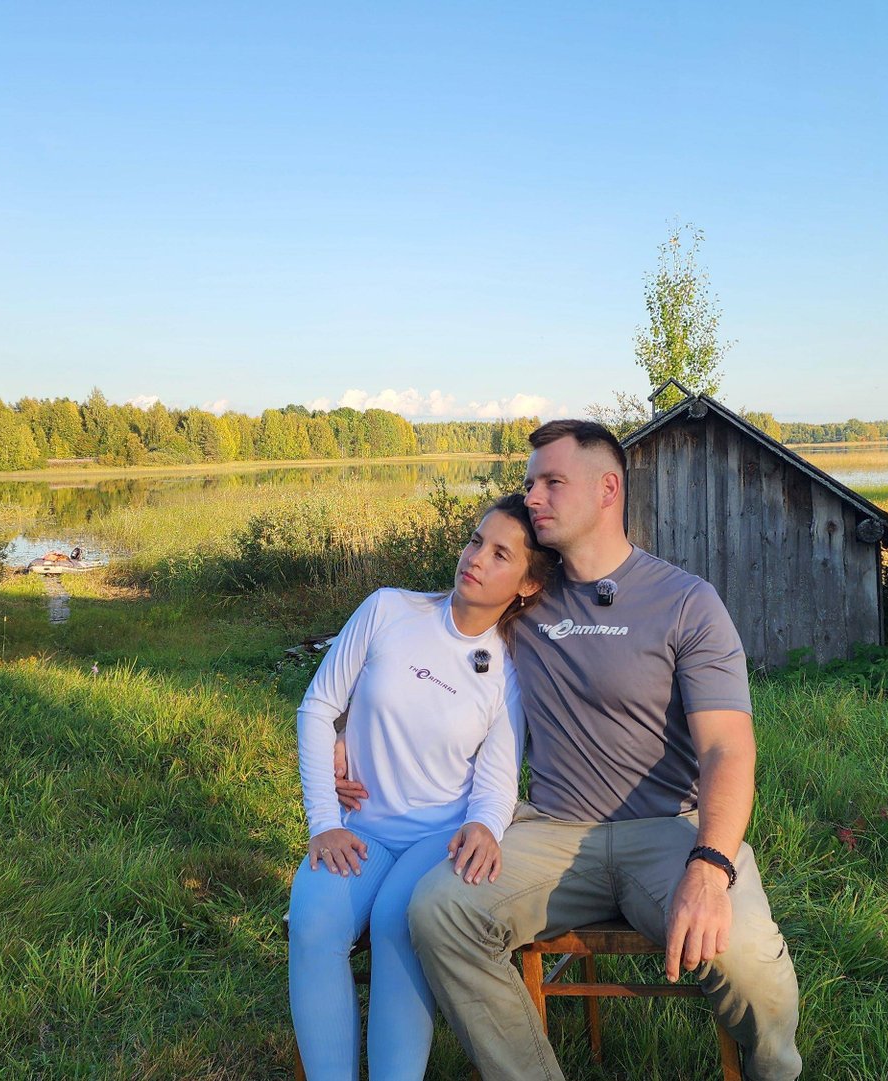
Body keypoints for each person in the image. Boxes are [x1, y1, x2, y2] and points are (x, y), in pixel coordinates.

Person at [340, 420, 802, 1080]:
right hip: (551, 830)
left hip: (666, 830)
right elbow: (417, 640)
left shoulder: (686, 602)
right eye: (530, 483)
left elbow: (728, 748)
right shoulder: (524, 590)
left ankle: (773, 1070)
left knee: (750, 959)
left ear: (607, 489)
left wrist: (708, 866)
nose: (533, 496)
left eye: (552, 482)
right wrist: (342, 727)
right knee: (439, 910)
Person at [288, 492, 556, 1081]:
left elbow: (496, 778)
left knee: (397, 920)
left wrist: (485, 825)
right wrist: (324, 822)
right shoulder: (388, 609)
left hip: (439, 837)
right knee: (311, 921)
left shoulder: (509, 669)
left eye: (500, 554)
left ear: (528, 585)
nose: (475, 558)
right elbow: (318, 708)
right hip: (358, 829)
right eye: (476, 540)